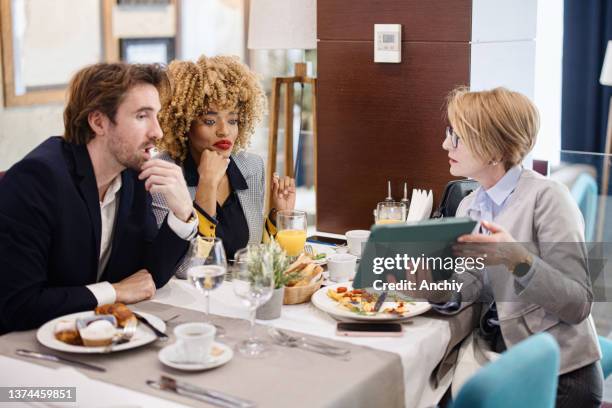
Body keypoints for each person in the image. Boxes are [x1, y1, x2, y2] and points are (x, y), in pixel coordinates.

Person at [430, 86, 601, 407]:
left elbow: (579, 303)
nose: (444, 144)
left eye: (457, 136)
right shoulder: (469, 206)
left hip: (560, 376)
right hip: (502, 357)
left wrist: (515, 258)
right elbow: (471, 288)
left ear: (494, 150)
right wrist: (424, 284)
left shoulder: (548, 198)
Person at [0, 63, 198, 334]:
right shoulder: (37, 180)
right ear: (98, 122)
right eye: (142, 116)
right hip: (22, 351)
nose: (158, 132)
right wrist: (113, 291)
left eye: (157, 116)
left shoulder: (132, 175)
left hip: (93, 336)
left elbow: (148, 278)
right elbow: (18, 306)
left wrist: (182, 212)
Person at [153, 55, 295, 266]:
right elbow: (184, 268)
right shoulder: (163, 176)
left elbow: (255, 253)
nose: (224, 130)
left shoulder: (251, 167)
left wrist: (278, 215)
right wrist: (207, 187)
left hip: (240, 292)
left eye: (233, 120)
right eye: (209, 121)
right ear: (183, 123)